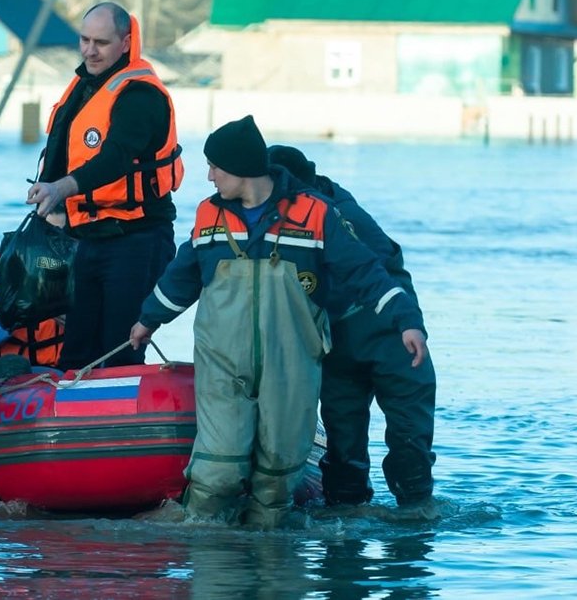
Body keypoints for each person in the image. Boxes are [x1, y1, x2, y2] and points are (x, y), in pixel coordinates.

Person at [128, 116, 427, 528]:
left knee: (279, 473)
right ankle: (205, 544)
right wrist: (148, 321)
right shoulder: (208, 216)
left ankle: (275, 552)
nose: (209, 175)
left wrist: (406, 322)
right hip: (224, 363)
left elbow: (368, 272)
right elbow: (183, 274)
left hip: (292, 367)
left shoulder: (318, 216)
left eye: (215, 166)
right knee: (219, 466)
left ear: (241, 168)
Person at [268, 144, 437, 508]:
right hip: (336, 346)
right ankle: (348, 515)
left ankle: (414, 515)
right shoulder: (275, 219)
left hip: (392, 341)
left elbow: (388, 269)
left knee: (410, 442)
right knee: (344, 449)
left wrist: (410, 323)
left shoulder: (342, 216)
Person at [26, 1, 183, 371]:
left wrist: (63, 188)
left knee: (119, 349)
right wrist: (48, 197)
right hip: (87, 238)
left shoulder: (140, 95)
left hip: (136, 237)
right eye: (84, 40)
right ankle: (69, 422)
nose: (90, 50)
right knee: (77, 349)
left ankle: (123, 421)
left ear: (125, 43)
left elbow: (117, 156)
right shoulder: (83, 87)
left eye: (101, 42)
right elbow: (61, 147)